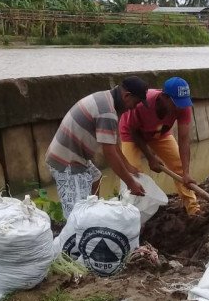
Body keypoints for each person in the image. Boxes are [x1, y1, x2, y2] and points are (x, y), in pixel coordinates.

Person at [45, 77, 148, 220]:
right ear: (127, 96)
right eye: (135, 103)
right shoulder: (108, 113)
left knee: (96, 178)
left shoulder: (106, 98)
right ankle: (81, 229)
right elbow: (110, 154)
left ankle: (93, 218)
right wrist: (130, 183)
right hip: (66, 161)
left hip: (75, 155)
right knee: (76, 216)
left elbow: (112, 144)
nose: (134, 107)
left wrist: (128, 166)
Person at [120, 76, 200, 215]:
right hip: (132, 134)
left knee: (179, 166)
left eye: (182, 103)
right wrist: (151, 158)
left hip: (160, 133)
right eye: (175, 103)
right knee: (133, 173)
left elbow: (184, 139)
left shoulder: (183, 107)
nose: (179, 107)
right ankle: (133, 214)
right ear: (164, 97)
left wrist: (186, 173)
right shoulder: (142, 103)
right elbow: (134, 131)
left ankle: (193, 209)